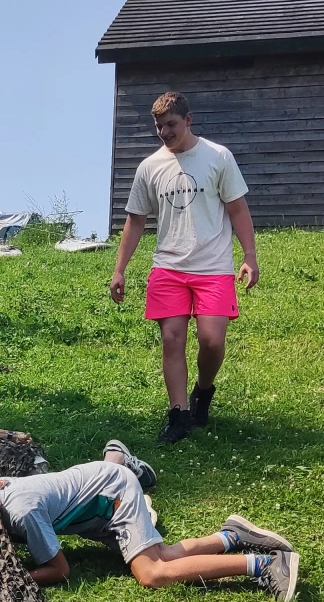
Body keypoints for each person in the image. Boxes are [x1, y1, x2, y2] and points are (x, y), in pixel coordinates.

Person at [109, 92, 258, 445]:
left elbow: (238, 210)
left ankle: (202, 392)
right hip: (168, 267)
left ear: (188, 121)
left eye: (171, 125)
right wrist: (120, 269)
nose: (164, 132)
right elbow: (135, 221)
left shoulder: (218, 157)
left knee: (211, 341)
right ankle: (178, 415)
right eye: (159, 126)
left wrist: (249, 256)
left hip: (214, 267)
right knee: (171, 339)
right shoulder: (150, 167)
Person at [0, 440, 299, 602]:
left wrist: (10, 580)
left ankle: (265, 565)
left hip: (110, 493)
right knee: (162, 556)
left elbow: (59, 570)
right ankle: (231, 536)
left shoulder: (22, 513)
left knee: (152, 573)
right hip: (96, 497)